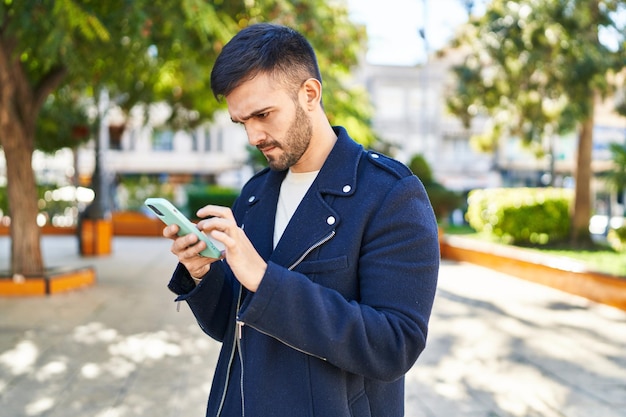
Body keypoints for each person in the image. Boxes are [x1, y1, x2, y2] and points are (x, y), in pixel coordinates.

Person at [163, 23, 439, 417]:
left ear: (309, 93)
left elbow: (394, 345)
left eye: (263, 114)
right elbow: (231, 325)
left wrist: (264, 278)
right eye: (242, 122)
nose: (253, 136)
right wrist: (202, 274)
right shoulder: (255, 194)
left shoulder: (390, 194)